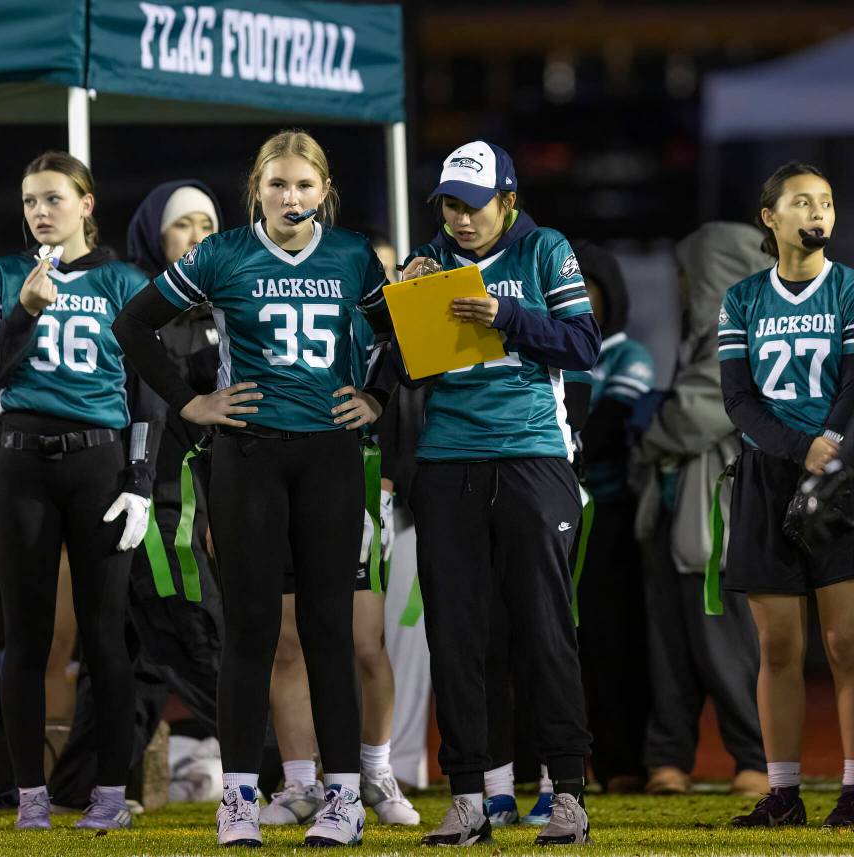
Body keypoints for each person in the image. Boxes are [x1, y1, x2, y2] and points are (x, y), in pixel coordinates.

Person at [113, 129, 393, 847]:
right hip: (248, 457)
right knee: (251, 633)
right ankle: (238, 797)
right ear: (257, 190)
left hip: (329, 456)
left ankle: (344, 797)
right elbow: (133, 324)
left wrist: (379, 397)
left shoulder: (354, 254)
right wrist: (189, 401)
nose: (290, 197)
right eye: (277, 184)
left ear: (323, 191)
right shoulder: (222, 253)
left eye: (303, 185)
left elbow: (404, 336)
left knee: (330, 631)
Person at [398, 141, 599, 846]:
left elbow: (583, 346)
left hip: (532, 454)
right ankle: (468, 796)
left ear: (508, 200)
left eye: (471, 204)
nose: (458, 218)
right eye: (449, 203)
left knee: (545, 625)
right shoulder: (427, 259)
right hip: (448, 459)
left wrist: (504, 316)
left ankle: (567, 791)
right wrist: (400, 302)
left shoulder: (545, 250)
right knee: (454, 633)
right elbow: (396, 370)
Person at [0, 151, 156, 831]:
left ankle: (110, 791)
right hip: (21, 463)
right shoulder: (5, 273)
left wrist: (140, 478)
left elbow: (146, 392)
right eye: (29, 201)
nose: (40, 211)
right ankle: (30, 796)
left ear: (85, 203)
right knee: (28, 638)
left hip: (97, 463)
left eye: (52, 198)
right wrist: (22, 313)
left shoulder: (121, 279)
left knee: (106, 636)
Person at [48, 178, 227, 811]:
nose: (199, 238)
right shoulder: (131, 303)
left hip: (185, 501)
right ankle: (282, 768)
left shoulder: (224, 309)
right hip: (149, 504)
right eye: (185, 226)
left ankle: (77, 787)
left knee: (131, 655)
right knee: (199, 637)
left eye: (209, 225)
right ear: (154, 234)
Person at [260, 229, 419, 829]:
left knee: (363, 641)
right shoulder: (287, 299)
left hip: (357, 482)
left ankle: (374, 769)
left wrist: (389, 473)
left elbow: (415, 388)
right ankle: (302, 781)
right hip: (287, 478)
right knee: (289, 641)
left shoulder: (383, 330)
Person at [719, 162, 854, 827]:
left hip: (842, 475)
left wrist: (828, 445)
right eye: (803, 201)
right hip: (770, 476)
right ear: (770, 217)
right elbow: (738, 401)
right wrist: (798, 447)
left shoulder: (850, 290)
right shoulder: (743, 298)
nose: (819, 211)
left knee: (845, 641)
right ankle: (784, 792)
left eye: (826, 201)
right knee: (777, 648)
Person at [635, 223, 769, 797]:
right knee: (670, 650)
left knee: (726, 647)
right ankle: (669, 759)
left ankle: (755, 760)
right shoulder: (707, 337)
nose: (683, 286)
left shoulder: (746, 339)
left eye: (691, 274)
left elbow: (698, 412)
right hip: (675, 517)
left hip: (721, 522)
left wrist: (650, 436)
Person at [561, 243, 655, 794]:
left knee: (612, 640)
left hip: (611, 517)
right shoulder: (552, 349)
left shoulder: (627, 354)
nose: (580, 299)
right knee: (556, 641)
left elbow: (609, 428)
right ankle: (548, 764)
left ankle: (621, 761)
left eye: (590, 289)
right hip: (555, 514)